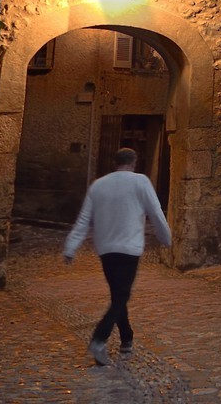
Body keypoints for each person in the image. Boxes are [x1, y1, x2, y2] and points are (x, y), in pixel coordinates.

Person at [62, 147, 172, 365]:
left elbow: (84, 220)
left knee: (118, 295)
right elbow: (156, 212)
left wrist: (70, 247)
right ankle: (99, 339)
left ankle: (126, 339)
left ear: (115, 162)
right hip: (129, 248)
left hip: (106, 249)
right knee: (121, 297)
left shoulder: (98, 185)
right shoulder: (140, 182)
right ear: (134, 162)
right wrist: (166, 238)